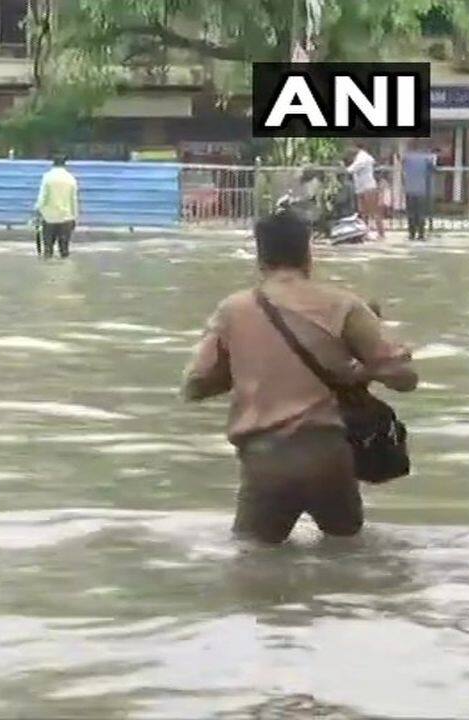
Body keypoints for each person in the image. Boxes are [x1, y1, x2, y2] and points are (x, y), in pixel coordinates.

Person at [181, 210, 418, 544]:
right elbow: (405, 378)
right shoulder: (344, 305)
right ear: (309, 253)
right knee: (349, 556)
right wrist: (358, 372)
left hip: (266, 461)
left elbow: (194, 385)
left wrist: (249, 367)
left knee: (253, 565)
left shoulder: (232, 311)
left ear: (260, 258)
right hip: (328, 456)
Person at [35, 155, 80, 258]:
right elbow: (73, 199)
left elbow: (43, 197)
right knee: (64, 250)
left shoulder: (47, 177)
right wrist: (75, 217)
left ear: (53, 163)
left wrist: (38, 212)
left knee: (48, 249)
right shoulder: (70, 178)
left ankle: (47, 270)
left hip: (49, 217)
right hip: (66, 217)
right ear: (65, 164)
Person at [346, 142, 385, 240]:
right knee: (363, 212)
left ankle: (381, 233)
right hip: (361, 187)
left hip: (368, 187)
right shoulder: (359, 157)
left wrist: (346, 169)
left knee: (374, 211)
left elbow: (352, 169)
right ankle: (364, 233)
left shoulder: (363, 157)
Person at [401, 141, 438, 241]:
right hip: (422, 189)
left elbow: (403, 167)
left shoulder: (407, 157)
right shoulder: (427, 158)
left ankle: (411, 234)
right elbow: (433, 170)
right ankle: (421, 234)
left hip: (409, 188)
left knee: (411, 213)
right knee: (421, 213)